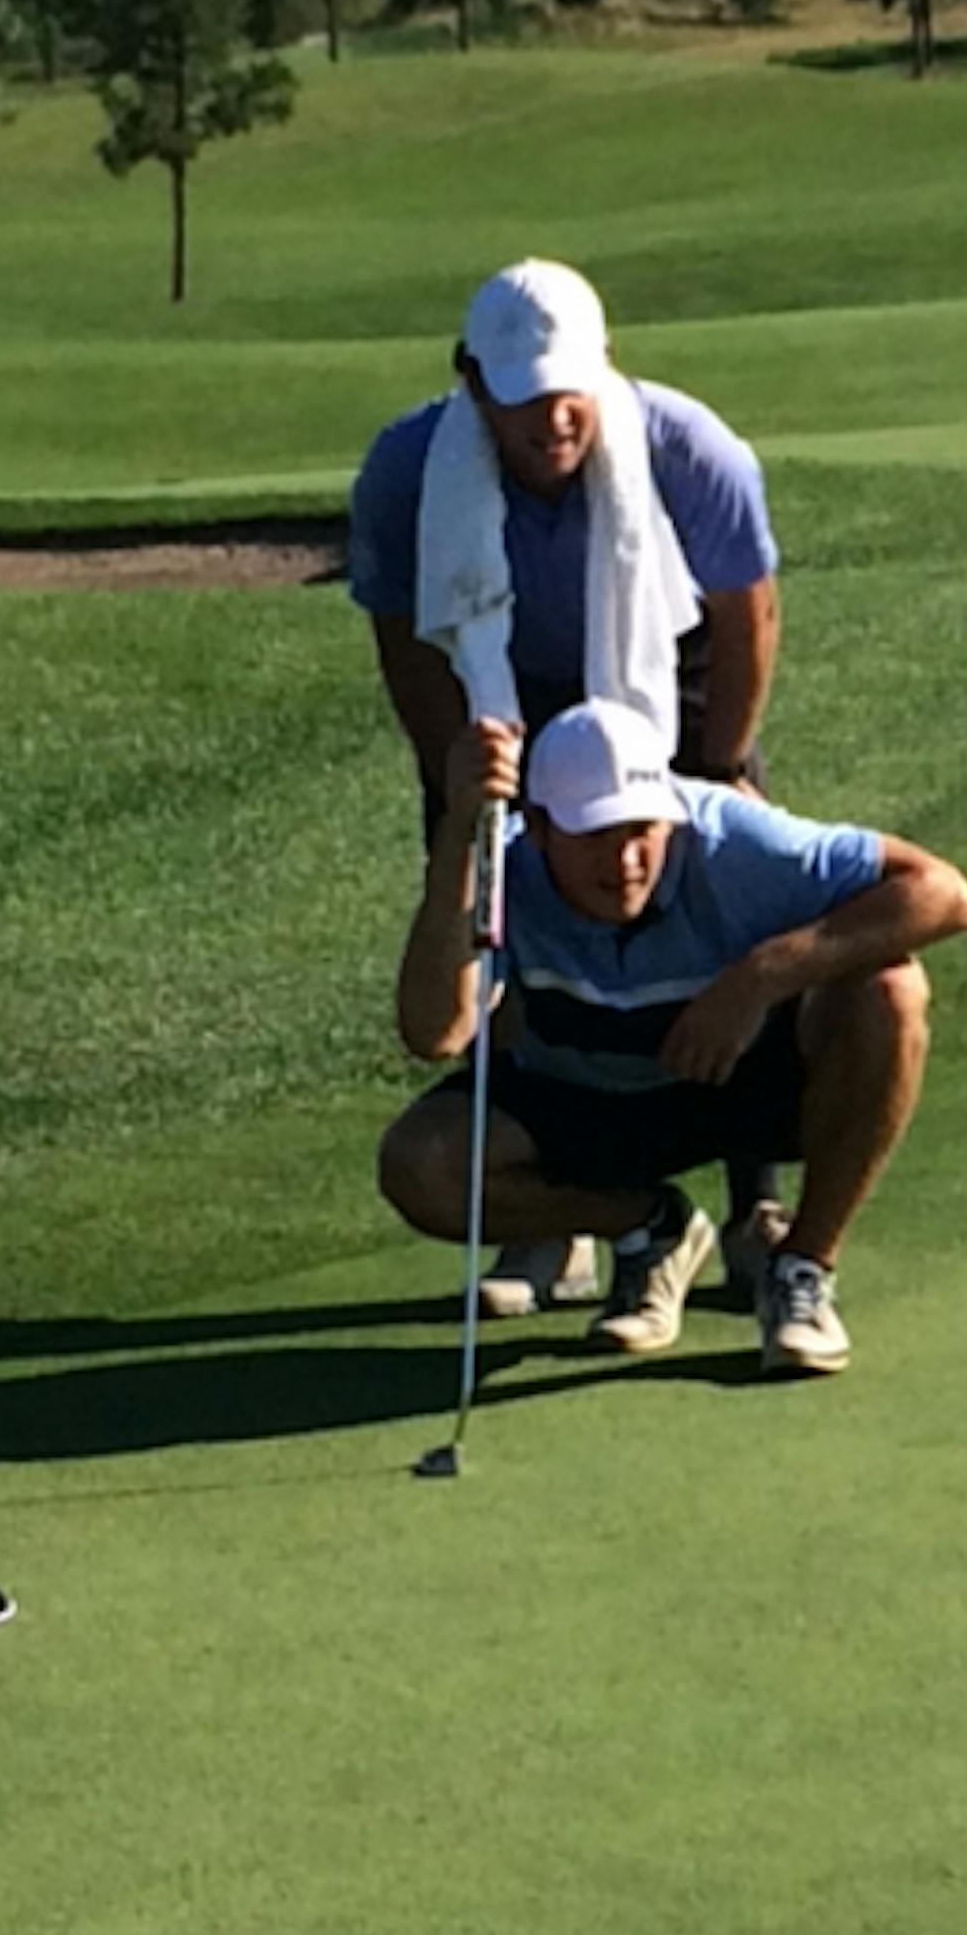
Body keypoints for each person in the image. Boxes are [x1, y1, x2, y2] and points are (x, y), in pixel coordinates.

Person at [349, 254, 785, 1315]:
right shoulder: (410, 468)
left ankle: (757, 1206)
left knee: (713, 918)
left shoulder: (689, 447)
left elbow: (746, 615)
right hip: (498, 695)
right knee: (498, 940)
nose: (552, 419)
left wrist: (721, 765)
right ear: (472, 385)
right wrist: (453, 781)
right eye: (523, 398)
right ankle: (566, 1219)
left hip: (666, 684)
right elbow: (405, 634)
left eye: (567, 391)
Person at [377, 699, 967, 1381]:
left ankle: (803, 1269)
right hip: (585, 1098)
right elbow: (436, 1031)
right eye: (596, 835)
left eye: (642, 830)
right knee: (420, 1165)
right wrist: (459, 836)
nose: (628, 859)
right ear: (541, 828)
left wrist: (757, 979)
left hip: (735, 1083)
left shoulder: (730, 838)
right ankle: (649, 1226)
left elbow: (945, 893)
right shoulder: (502, 863)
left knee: (890, 992)